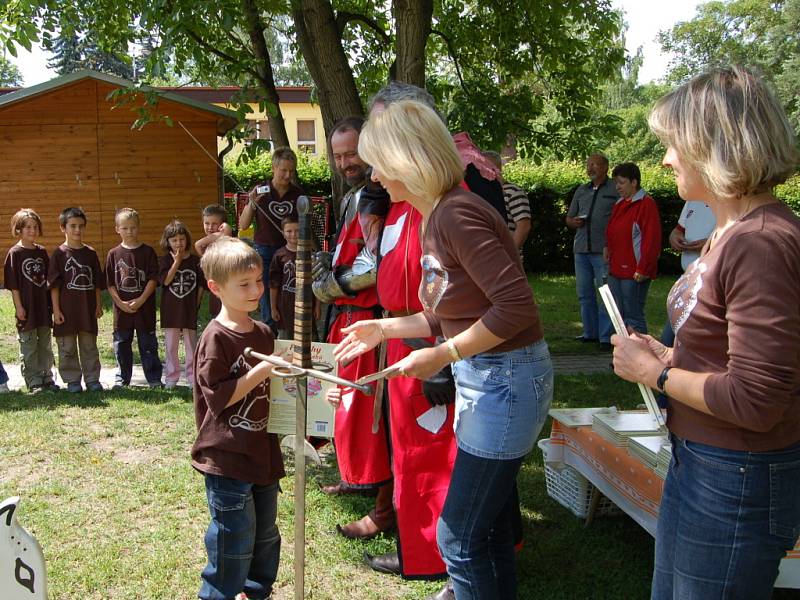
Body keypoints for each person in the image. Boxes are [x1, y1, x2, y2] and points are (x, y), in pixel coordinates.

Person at [336, 100, 553, 599]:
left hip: (505, 380)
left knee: (458, 536)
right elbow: (448, 310)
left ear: (407, 161)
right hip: (491, 379)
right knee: (488, 526)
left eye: (379, 164)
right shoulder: (434, 214)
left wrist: (443, 354)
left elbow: (515, 308)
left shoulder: (456, 214)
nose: (374, 177)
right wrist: (385, 331)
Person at [611, 66, 800, 600]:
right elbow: (731, 359)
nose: (667, 159)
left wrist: (659, 372)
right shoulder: (729, 233)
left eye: (673, 144)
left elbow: (759, 398)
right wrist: (668, 352)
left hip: (736, 475)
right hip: (709, 463)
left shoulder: (759, 242)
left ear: (713, 145)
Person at [312, 116, 395, 539]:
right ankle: (354, 475)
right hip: (347, 317)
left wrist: (330, 284)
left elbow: (377, 263)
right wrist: (325, 265)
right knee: (346, 404)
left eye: (352, 153)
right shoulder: (352, 197)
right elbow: (347, 249)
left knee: (374, 413)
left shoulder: (386, 195)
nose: (346, 162)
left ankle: (384, 511)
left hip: (374, 319)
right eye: (339, 155)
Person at [191, 236, 284, 600]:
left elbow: (283, 392)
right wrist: (263, 370)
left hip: (263, 454)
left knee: (265, 538)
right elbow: (218, 396)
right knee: (233, 540)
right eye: (244, 284)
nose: (255, 290)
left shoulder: (263, 333)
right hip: (227, 459)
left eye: (258, 281)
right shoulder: (215, 338)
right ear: (216, 288)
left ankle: (256, 593)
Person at [239, 147, 304, 328]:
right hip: (265, 251)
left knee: (288, 293)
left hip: (291, 251)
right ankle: (270, 336)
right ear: (274, 168)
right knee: (268, 297)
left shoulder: (298, 194)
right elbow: (243, 224)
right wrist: (252, 203)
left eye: (291, 171)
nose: (287, 175)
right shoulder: (261, 190)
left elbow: (306, 227)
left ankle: (289, 333)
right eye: (283, 170)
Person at [48, 207, 105, 393]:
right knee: (67, 347)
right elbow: (54, 285)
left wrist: (97, 304)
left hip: (87, 309)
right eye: (72, 226)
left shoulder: (90, 253)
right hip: (66, 310)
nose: (77, 230)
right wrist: (56, 310)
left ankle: (92, 379)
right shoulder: (59, 254)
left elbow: (97, 283)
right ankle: (72, 380)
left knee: (89, 347)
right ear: (63, 228)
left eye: (81, 226)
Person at [105, 207, 163, 388]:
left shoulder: (147, 252)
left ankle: (153, 378)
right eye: (125, 228)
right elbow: (109, 283)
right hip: (122, 311)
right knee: (122, 344)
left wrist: (142, 299)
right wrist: (119, 303)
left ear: (138, 227)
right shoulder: (113, 254)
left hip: (144, 309)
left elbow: (154, 278)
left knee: (148, 345)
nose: (129, 232)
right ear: (117, 229)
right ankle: (123, 378)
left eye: (133, 227)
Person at [565, 153, 618, 350]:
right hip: (581, 248)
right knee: (584, 293)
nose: (590, 168)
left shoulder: (614, 188)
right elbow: (569, 218)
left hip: (602, 249)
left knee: (605, 292)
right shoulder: (582, 189)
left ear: (605, 166)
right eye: (588, 165)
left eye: (594, 164)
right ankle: (590, 333)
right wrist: (574, 222)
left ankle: (606, 336)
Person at [3, 208, 58, 393]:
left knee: (44, 344)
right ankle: (33, 380)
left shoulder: (42, 252)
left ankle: (47, 377)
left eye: (35, 227)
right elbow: (14, 285)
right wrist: (19, 307)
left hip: (43, 307)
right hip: (26, 307)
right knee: (29, 345)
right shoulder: (15, 253)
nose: (32, 230)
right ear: (18, 229)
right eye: (27, 227)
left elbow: (48, 280)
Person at [604, 162, 661, 334]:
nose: (617, 187)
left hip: (634, 271)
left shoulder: (645, 204)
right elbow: (613, 230)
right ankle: (623, 356)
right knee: (618, 316)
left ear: (634, 182)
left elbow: (652, 239)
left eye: (621, 182)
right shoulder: (620, 203)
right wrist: (607, 247)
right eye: (616, 183)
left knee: (633, 316)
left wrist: (643, 268)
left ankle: (640, 357)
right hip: (616, 268)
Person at [660, 200, 715, 346]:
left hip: (709, 282)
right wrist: (674, 236)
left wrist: (711, 242)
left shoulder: (725, 199)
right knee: (670, 338)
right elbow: (679, 229)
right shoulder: (692, 200)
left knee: (674, 339)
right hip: (688, 278)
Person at [159, 219, 205, 389]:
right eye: (174, 240)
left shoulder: (195, 261)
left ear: (187, 239)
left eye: (182, 239)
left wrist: (197, 303)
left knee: (191, 346)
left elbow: (201, 284)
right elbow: (165, 281)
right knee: (171, 346)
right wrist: (177, 262)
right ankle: (172, 377)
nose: (179, 243)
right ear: (168, 242)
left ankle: (193, 378)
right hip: (171, 311)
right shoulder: (165, 260)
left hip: (188, 310)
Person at [268, 215, 319, 340]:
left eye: (297, 231)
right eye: (289, 231)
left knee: (309, 339)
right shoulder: (279, 255)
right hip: (285, 307)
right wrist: (273, 307)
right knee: (286, 341)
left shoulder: (310, 254)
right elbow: (274, 284)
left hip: (307, 306)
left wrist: (317, 306)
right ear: (283, 233)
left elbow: (317, 281)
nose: (293, 234)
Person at [483, 150, 532, 254]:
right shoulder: (484, 193)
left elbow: (524, 226)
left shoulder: (513, 191)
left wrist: (509, 253)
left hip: (506, 258)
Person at [195, 204, 232, 319]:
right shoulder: (208, 246)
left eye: (214, 223)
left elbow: (197, 244)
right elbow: (202, 281)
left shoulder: (227, 237)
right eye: (206, 223)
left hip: (230, 292)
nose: (210, 227)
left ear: (222, 225)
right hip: (216, 295)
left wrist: (223, 233)